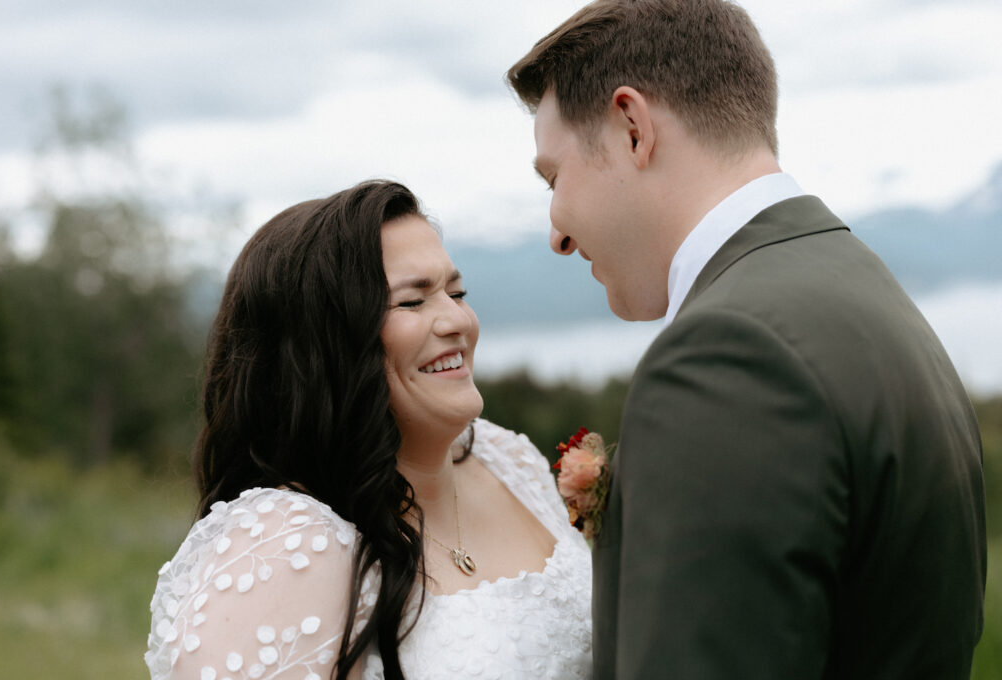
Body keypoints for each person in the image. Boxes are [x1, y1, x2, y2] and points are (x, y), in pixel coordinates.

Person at [507, 1, 985, 678]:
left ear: (632, 128)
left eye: (554, 178)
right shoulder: (861, 289)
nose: (556, 233)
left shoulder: (729, 356)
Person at [145, 181, 592, 680]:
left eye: (456, 292)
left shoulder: (512, 461)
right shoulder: (285, 547)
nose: (459, 320)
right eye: (412, 302)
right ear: (325, 347)